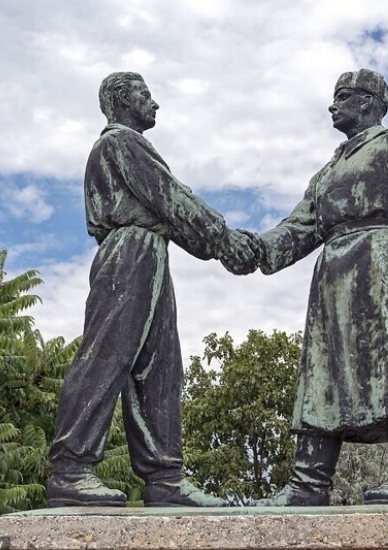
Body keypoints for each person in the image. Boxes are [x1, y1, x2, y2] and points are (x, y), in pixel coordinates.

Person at [47, 72, 256, 508]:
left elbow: (173, 214)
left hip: (151, 251)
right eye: (145, 95)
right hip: (129, 253)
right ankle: (70, 468)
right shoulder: (119, 143)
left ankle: (164, 478)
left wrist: (211, 244)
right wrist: (224, 240)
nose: (155, 103)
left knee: (160, 366)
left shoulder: (128, 145)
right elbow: (172, 198)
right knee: (106, 356)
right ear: (122, 100)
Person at [254, 69, 388, 506]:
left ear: (368, 102)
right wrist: (253, 249)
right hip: (334, 279)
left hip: (384, 268)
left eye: (342, 97)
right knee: (323, 375)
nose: (332, 106)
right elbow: (298, 227)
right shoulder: (326, 172)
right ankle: (308, 484)